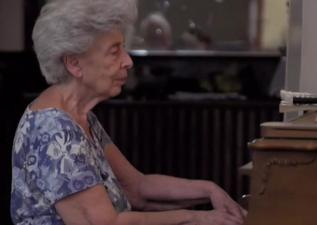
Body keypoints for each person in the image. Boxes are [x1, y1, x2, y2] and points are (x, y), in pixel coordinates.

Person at [10, 0, 246, 225]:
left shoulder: (80, 116)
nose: (128, 61)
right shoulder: (54, 131)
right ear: (74, 63)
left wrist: (209, 189)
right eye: (114, 51)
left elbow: (137, 188)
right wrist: (197, 218)